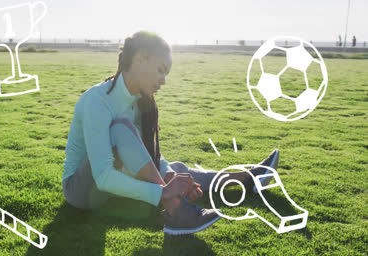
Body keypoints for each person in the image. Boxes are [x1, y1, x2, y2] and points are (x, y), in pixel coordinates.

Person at [62, 31, 279, 235]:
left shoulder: (139, 101)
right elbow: (102, 177)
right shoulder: (97, 100)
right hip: (82, 190)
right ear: (139, 58)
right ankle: (176, 211)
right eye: (160, 70)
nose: (163, 80)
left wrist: (170, 177)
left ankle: (245, 180)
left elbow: (145, 156)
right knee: (120, 129)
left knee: (175, 171)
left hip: (114, 181)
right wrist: (164, 192)